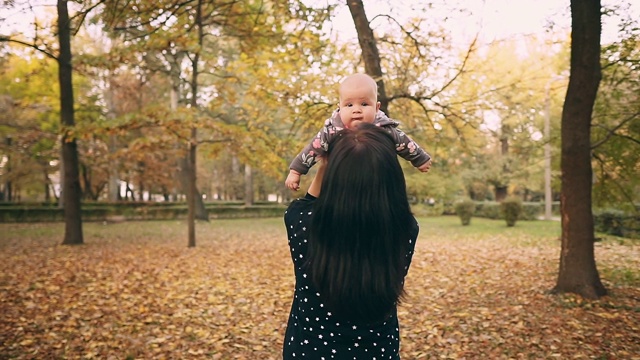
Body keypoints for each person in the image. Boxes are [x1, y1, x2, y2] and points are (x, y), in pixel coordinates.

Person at [283, 123, 419, 359]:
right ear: (392, 178)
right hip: (378, 352)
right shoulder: (405, 230)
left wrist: (325, 164)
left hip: (309, 351)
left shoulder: (302, 224)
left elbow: (306, 202)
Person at [285, 73, 432, 191]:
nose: (356, 110)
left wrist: (419, 159)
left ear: (376, 107)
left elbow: (405, 143)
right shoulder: (332, 130)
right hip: (341, 183)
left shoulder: (384, 129)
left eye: (364, 104)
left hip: (374, 182)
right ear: (339, 107)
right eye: (349, 105)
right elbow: (312, 150)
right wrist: (296, 171)